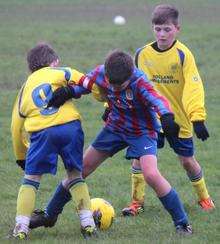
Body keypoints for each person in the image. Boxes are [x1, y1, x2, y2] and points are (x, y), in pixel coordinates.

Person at [29, 50, 193, 234]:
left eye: (119, 86)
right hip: (115, 127)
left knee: (151, 175)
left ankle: (182, 223)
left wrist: (167, 116)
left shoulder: (140, 82)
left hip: (142, 132)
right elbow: (86, 85)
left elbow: (158, 100)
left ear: (130, 76)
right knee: (79, 169)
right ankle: (49, 214)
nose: (114, 89)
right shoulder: (101, 72)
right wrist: (69, 91)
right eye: (110, 84)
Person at [120, 4, 214, 216]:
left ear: (177, 29)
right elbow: (126, 83)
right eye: (157, 29)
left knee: (187, 161)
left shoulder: (183, 55)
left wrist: (197, 118)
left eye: (167, 29)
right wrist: (112, 107)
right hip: (149, 119)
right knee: (139, 159)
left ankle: (204, 198)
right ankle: (136, 203)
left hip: (178, 119)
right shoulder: (142, 54)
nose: (162, 34)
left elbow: (193, 86)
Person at [10, 43, 100, 240]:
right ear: (55, 62)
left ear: (30, 68)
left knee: (31, 179)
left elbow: (16, 127)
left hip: (42, 133)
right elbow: (90, 83)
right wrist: (80, 92)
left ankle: (21, 228)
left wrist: (21, 155)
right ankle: (88, 225)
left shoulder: (24, 88)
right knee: (75, 175)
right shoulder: (63, 71)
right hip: (70, 128)